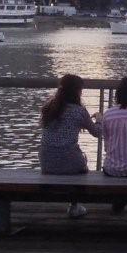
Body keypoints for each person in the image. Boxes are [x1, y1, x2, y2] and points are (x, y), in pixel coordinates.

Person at [39, 74, 102, 218]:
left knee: (74, 156)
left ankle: (73, 205)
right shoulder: (79, 111)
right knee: (81, 162)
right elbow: (97, 133)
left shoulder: (49, 107)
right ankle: (74, 206)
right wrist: (99, 118)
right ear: (77, 91)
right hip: (70, 162)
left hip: (46, 162)